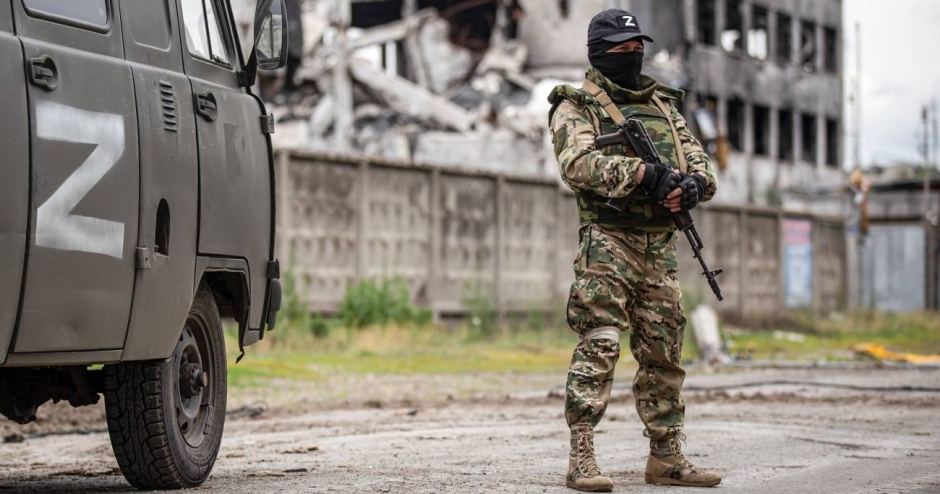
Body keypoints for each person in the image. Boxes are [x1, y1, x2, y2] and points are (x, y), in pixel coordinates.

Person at [547, 9, 721, 492]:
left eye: (636, 48)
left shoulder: (665, 106)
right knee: (600, 343)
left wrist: (690, 187)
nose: (631, 56)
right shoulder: (576, 105)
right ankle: (582, 456)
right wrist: (643, 174)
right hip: (608, 241)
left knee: (664, 352)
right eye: (621, 49)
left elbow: (701, 165)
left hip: (659, 247)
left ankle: (666, 456)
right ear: (598, 53)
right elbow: (577, 164)